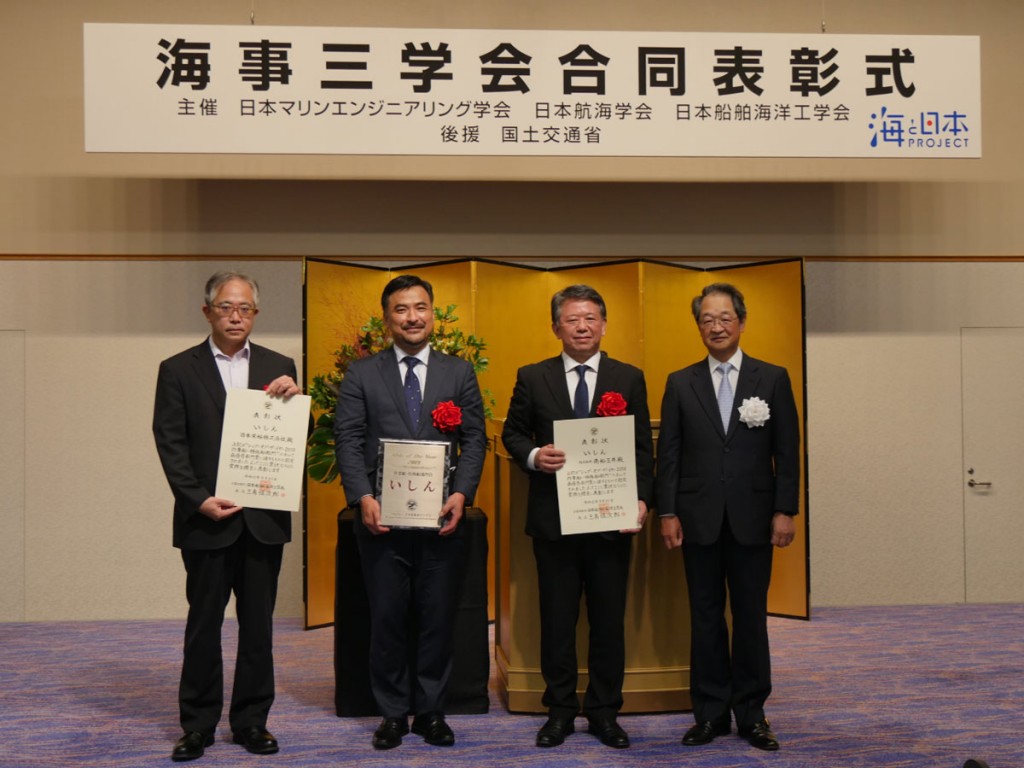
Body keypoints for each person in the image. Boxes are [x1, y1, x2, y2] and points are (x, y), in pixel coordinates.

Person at [153, 271, 302, 762]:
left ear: (255, 314)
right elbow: (170, 443)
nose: (236, 316)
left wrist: (301, 403)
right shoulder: (177, 369)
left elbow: (295, 436)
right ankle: (196, 725)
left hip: (263, 520)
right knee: (203, 627)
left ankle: (252, 722)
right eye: (226, 307)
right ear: (207, 312)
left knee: (259, 627)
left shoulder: (281, 366)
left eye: (245, 309)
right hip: (206, 520)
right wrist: (197, 499)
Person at [333, 274, 487, 750]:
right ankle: (394, 713)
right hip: (382, 520)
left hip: (442, 517)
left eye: (420, 307)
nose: (412, 317)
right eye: (401, 309)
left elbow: (476, 438)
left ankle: (433, 712)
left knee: (439, 617)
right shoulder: (362, 374)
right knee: (389, 617)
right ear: (387, 319)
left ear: (433, 314)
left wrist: (463, 492)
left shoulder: (457, 373)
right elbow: (349, 440)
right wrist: (362, 497)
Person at [501, 284, 654, 750]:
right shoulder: (533, 376)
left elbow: (643, 449)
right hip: (555, 522)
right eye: (572, 319)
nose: (582, 326)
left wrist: (642, 501)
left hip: (611, 520)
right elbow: (511, 434)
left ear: (604, 325)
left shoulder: (628, 378)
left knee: (609, 621)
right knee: (557, 620)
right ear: (556, 327)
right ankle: (560, 711)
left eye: (591, 318)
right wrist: (533, 456)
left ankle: (606, 712)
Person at [656, 282, 799, 752]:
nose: (716, 326)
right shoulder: (680, 382)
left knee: (752, 617)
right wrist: (668, 511)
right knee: (705, 618)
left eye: (725, 318)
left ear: (741, 321)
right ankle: (710, 713)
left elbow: (787, 451)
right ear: (698, 326)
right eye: (706, 319)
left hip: (755, 519)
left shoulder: (772, 377)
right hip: (696, 519)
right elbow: (670, 455)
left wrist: (785, 510)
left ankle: (753, 714)